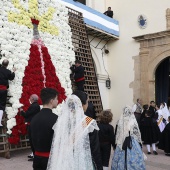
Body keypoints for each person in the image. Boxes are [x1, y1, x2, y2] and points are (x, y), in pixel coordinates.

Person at [47, 90, 103, 170]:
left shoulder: (60, 123)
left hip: (65, 163)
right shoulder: (88, 123)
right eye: (87, 102)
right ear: (81, 105)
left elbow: (54, 144)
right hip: (83, 163)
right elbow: (95, 151)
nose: (87, 105)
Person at [30, 88, 58, 170]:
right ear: (52, 101)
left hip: (37, 159)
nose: (57, 101)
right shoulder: (56, 119)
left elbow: (31, 140)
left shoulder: (34, 118)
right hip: (50, 160)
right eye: (56, 99)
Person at [20, 94, 40, 161]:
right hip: (34, 125)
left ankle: (35, 156)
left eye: (30, 98)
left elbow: (26, 115)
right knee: (33, 141)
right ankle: (35, 155)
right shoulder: (36, 105)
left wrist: (22, 111)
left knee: (32, 141)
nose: (29, 99)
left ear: (32, 99)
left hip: (31, 125)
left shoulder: (33, 106)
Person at [0, 59, 16, 126]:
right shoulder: (8, 71)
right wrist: (14, 71)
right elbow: (11, 78)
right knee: (1, 105)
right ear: (7, 65)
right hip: (3, 90)